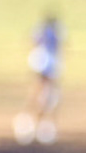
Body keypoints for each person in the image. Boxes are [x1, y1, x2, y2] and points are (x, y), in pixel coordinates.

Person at [16, 13, 62, 144]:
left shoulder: (49, 30)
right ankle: (32, 123)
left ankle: (42, 125)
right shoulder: (48, 31)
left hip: (47, 63)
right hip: (44, 63)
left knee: (47, 95)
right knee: (40, 94)